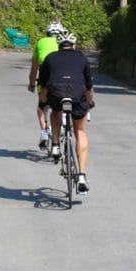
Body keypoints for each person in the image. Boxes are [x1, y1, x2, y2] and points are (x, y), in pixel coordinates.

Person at [37, 29, 95, 194]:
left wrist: (42, 102)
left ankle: (55, 145)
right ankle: (82, 176)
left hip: (56, 92)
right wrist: (89, 104)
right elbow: (89, 88)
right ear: (74, 45)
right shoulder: (82, 58)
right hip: (77, 94)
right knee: (80, 131)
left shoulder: (50, 58)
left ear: (59, 45)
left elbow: (43, 86)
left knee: (55, 111)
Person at [27, 20, 63, 155]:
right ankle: (64, 124)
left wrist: (31, 83)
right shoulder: (64, 43)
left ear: (47, 33)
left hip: (45, 79)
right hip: (63, 80)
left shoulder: (40, 42)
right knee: (59, 105)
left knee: (42, 106)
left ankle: (44, 130)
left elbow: (34, 68)